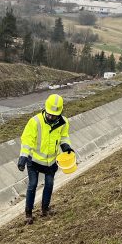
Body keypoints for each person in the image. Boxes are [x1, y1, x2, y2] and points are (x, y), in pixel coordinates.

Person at [18, 94, 73, 225]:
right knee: (32, 185)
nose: (51, 117)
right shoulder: (35, 121)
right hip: (34, 161)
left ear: (60, 113)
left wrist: (66, 146)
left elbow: (64, 136)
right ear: (45, 109)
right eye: (49, 114)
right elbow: (27, 141)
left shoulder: (63, 122)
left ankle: (45, 209)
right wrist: (23, 156)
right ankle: (28, 214)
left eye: (54, 115)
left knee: (49, 184)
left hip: (51, 162)